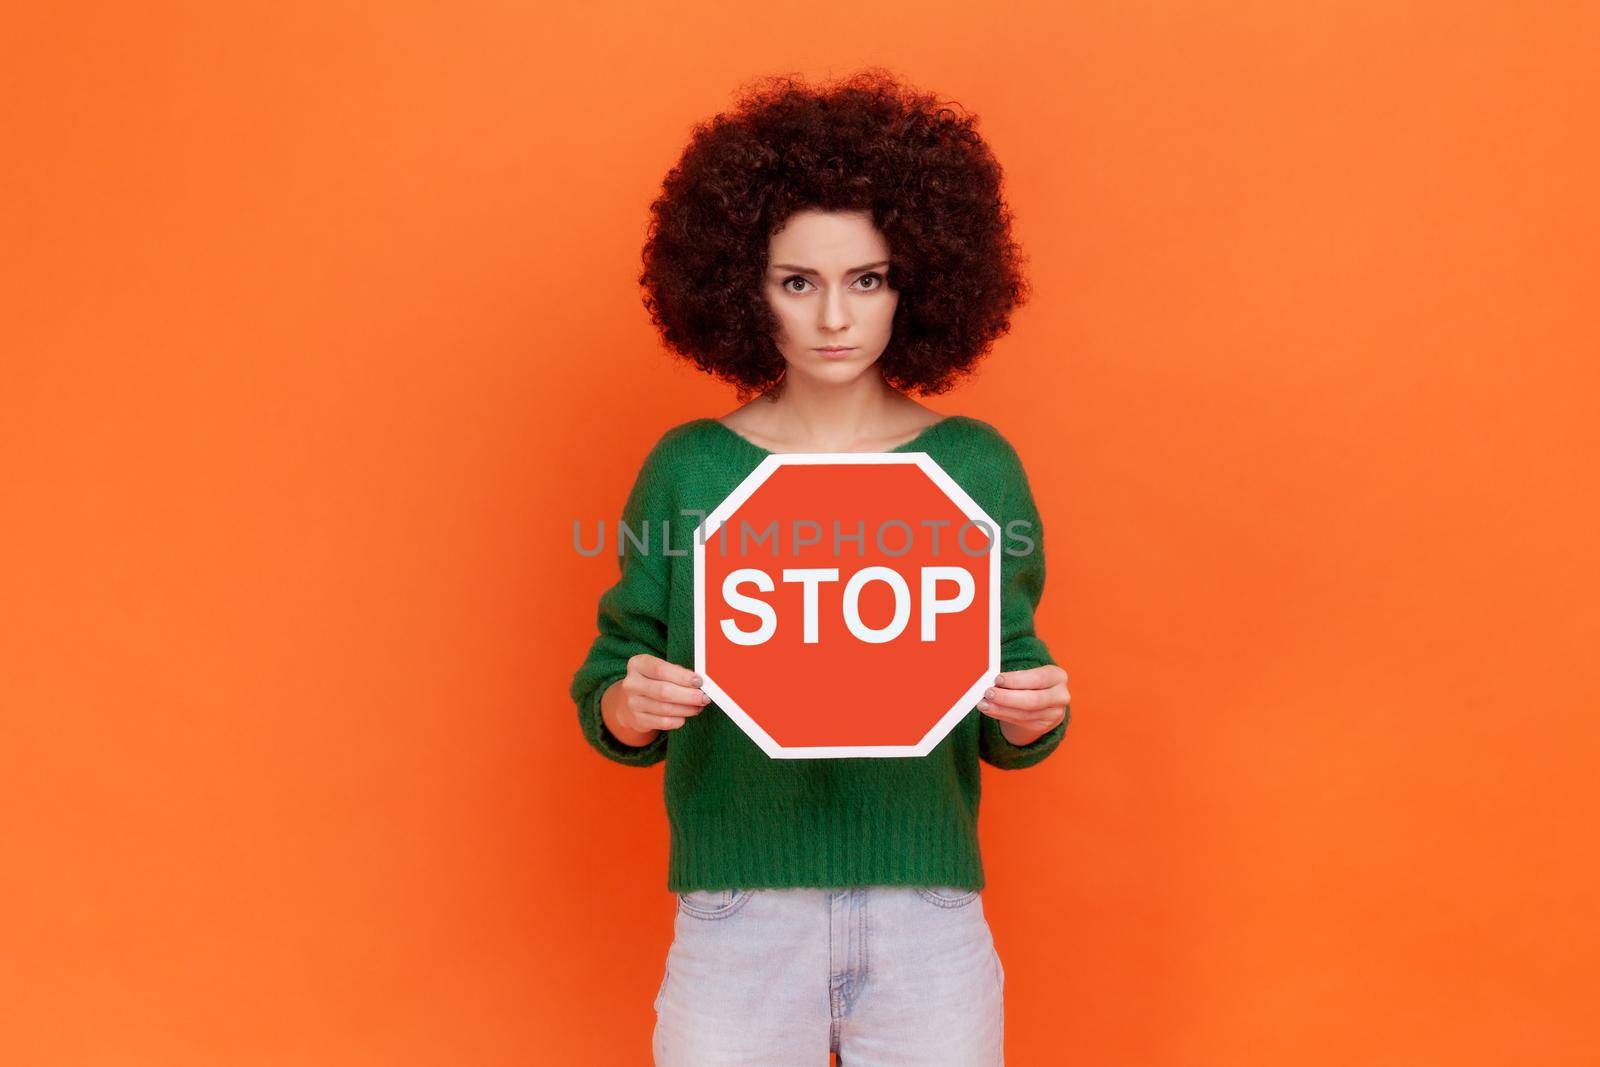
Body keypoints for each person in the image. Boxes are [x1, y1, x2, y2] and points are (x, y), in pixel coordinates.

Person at [569, 67, 1072, 1066]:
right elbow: (607, 685)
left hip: (927, 916)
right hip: (738, 914)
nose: (834, 318)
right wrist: (631, 701)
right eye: (798, 281)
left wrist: (1032, 714)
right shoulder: (688, 469)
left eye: (867, 279)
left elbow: (1008, 685)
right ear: (744, 289)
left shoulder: (972, 467)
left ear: (917, 283)